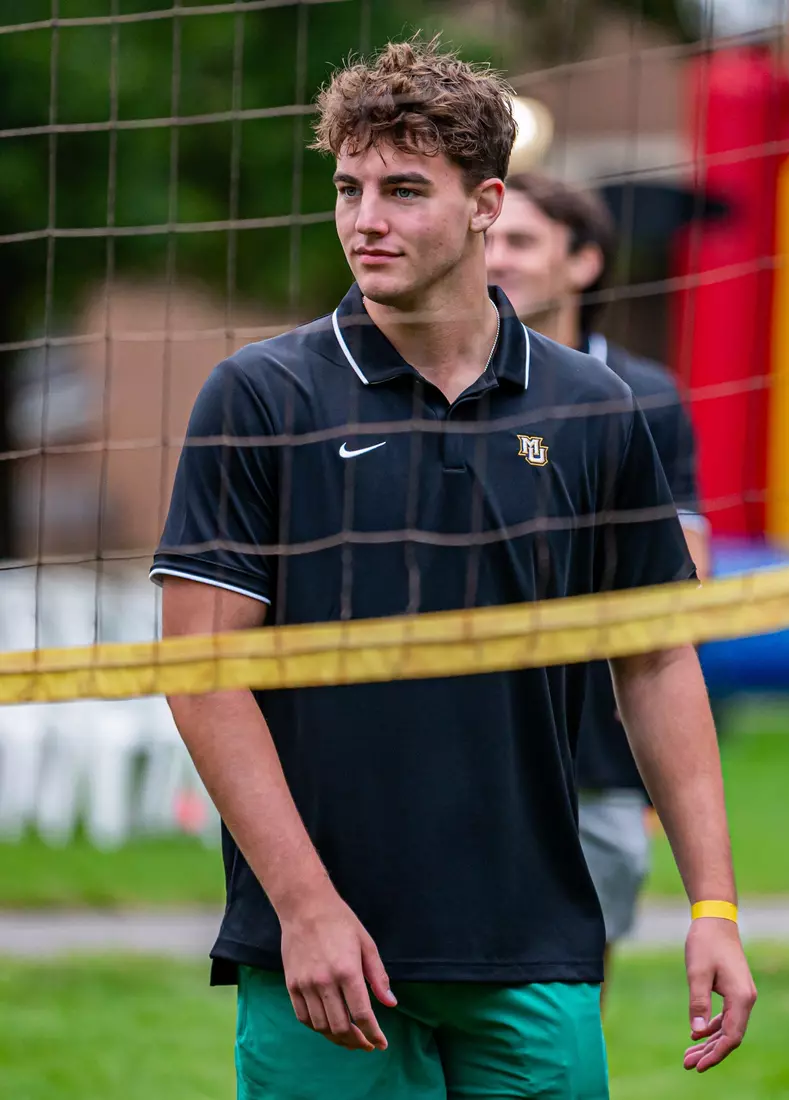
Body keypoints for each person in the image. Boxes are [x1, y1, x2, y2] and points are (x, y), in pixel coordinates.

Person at [152, 37, 755, 1100]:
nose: (364, 219)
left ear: (484, 203)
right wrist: (304, 906)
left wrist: (713, 903)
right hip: (321, 946)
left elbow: (657, 662)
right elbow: (202, 672)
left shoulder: (593, 407)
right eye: (346, 187)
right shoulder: (259, 395)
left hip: (530, 935)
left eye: (401, 189)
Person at [486, 173, 711, 995]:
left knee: (575, 979)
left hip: (598, 743)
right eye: (487, 239)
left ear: (584, 262)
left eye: (519, 241)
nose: (494, 258)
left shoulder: (642, 397)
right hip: (471, 724)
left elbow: (686, 573)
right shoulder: (453, 382)